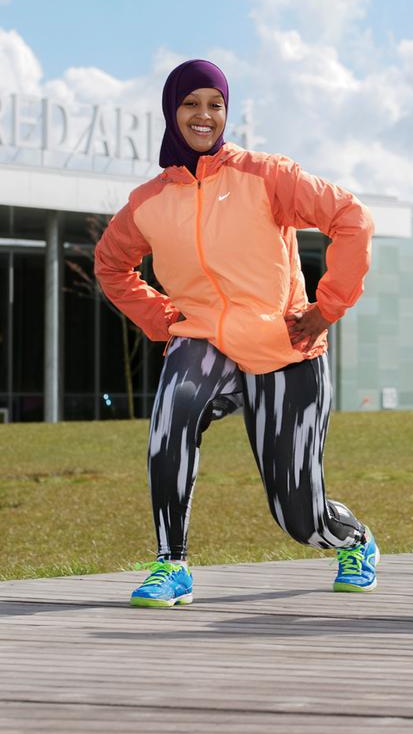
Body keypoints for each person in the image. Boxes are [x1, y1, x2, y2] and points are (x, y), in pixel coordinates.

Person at [94, 58, 379, 607]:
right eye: (190, 104)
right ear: (170, 111)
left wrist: (327, 307)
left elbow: (351, 217)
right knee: (172, 413)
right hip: (205, 342)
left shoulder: (266, 175)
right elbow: (110, 265)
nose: (204, 116)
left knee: (298, 515)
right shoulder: (148, 202)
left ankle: (355, 540)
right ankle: (170, 564)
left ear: (227, 112)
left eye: (215, 105)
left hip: (285, 351)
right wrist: (160, 317)